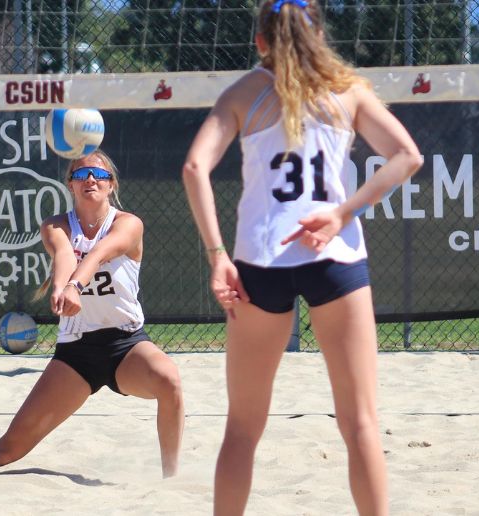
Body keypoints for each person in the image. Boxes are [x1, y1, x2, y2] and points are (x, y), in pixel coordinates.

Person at [181, 0, 423, 514]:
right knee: (359, 423)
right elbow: (408, 156)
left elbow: (193, 168)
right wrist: (342, 212)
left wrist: (217, 255)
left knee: (243, 428)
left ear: (261, 41)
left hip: (260, 262)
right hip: (332, 255)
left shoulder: (245, 92)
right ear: (318, 35)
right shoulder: (348, 90)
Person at [0, 149, 185, 478]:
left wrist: (75, 285)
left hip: (126, 345)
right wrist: (62, 287)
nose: (90, 179)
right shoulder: (56, 225)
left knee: (169, 380)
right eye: (81, 175)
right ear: (70, 185)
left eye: (99, 175)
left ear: (111, 184)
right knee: (5, 450)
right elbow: (63, 254)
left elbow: (101, 253)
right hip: (76, 355)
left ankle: (171, 478)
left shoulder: (128, 223)